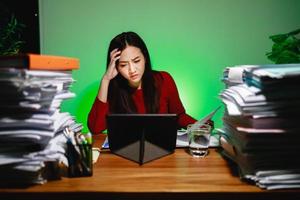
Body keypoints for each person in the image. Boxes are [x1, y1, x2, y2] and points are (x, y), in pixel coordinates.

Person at [88, 31, 212, 134]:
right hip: (126, 155)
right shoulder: (112, 88)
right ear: (116, 66)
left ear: (145, 58)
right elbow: (95, 128)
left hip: (162, 150)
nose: (132, 70)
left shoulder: (164, 79)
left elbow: (179, 116)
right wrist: (105, 80)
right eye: (123, 65)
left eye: (136, 61)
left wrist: (200, 126)